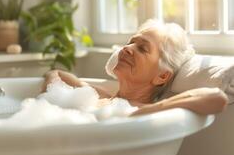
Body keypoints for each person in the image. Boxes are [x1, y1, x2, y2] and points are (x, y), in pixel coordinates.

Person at [41, 19, 228, 116]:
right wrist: (48, 96)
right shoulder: (99, 95)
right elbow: (55, 72)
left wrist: (142, 112)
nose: (127, 49)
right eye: (130, 43)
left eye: (142, 48)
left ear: (162, 76)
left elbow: (217, 98)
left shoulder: (140, 111)